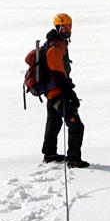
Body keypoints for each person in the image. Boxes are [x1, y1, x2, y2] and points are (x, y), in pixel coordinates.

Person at [41, 12, 90, 168]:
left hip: (53, 92)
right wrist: (70, 94)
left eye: (70, 26)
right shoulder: (54, 48)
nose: (69, 29)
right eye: (65, 26)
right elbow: (58, 74)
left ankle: (49, 153)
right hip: (57, 93)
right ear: (58, 27)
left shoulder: (59, 43)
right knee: (76, 124)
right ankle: (74, 159)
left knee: (54, 122)